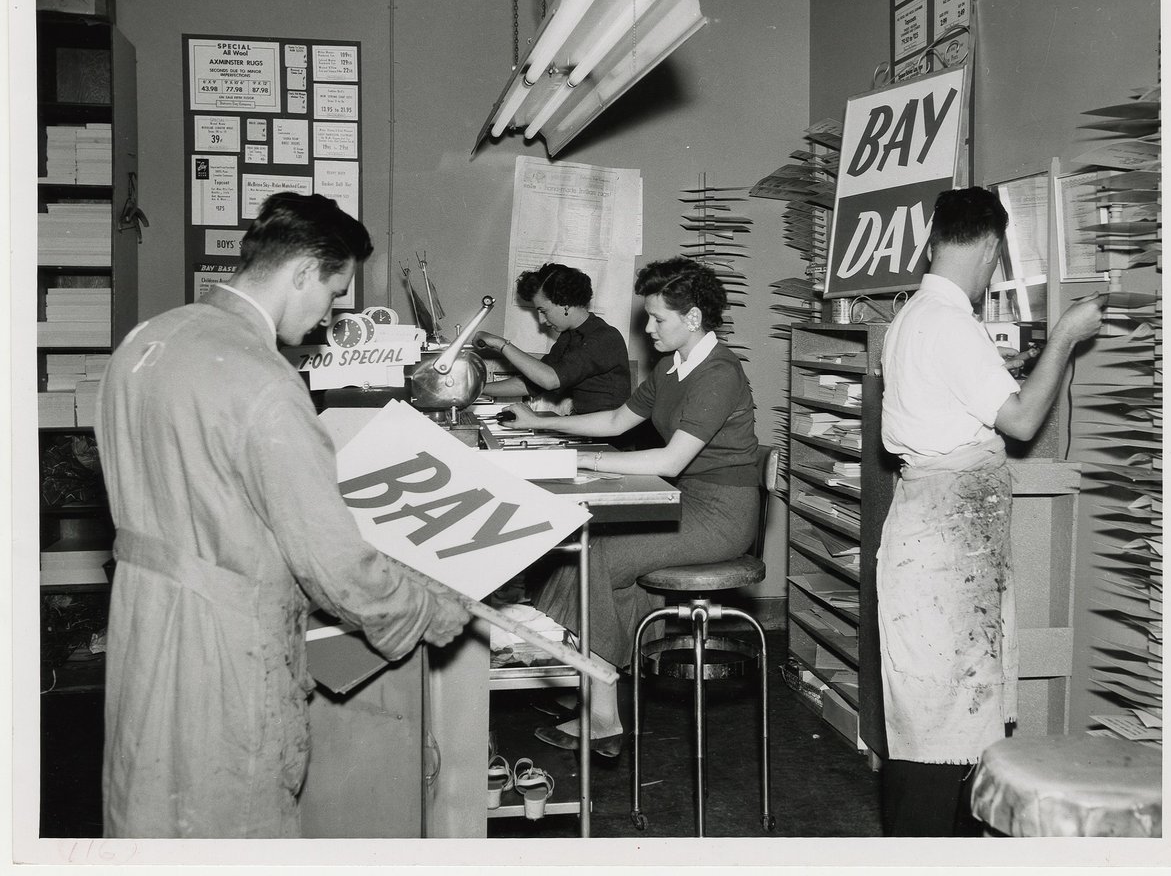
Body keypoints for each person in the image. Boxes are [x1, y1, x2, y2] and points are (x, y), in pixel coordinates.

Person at [95, 192, 470, 838]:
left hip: (141, 624)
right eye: (333, 293)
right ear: (301, 272)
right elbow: (334, 564)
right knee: (236, 819)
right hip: (225, 644)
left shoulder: (144, 342)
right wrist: (425, 611)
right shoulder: (264, 380)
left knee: (151, 811)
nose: (329, 316)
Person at [876, 186, 1104, 836]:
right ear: (993, 249)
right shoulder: (951, 325)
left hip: (935, 540)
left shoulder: (915, 316)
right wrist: (1065, 337)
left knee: (951, 721)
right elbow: (1025, 421)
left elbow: (959, 396)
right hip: (944, 553)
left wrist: (1007, 370)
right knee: (937, 732)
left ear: (934, 240)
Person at [502, 257, 759, 755]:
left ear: (693, 318)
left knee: (596, 555)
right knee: (589, 547)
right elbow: (617, 420)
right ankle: (603, 686)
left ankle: (603, 714)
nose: (648, 328)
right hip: (684, 500)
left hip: (722, 515)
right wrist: (540, 424)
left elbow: (671, 458)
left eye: (658, 318)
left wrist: (585, 460)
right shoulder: (671, 367)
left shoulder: (719, 372)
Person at [475, 262, 631, 415]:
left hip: (609, 429)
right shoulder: (569, 337)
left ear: (566, 304)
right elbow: (531, 384)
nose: (542, 320)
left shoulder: (604, 338)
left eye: (543, 311)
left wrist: (501, 344)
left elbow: (550, 380)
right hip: (586, 424)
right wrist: (475, 389)